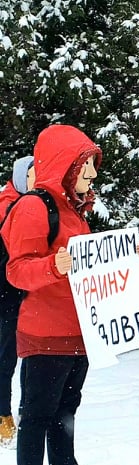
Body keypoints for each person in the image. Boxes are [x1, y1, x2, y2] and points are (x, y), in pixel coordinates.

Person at [1, 125, 139, 465]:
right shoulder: (35, 206)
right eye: (86, 166)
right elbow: (17, 270)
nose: (93, 175)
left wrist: (129, 259)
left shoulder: (75, 212)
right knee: (36, 419)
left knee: (64, 411)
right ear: (66, 164)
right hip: (44, 336)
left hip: (78, 335)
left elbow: (91, 268)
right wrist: (54, 266)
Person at [0, 155, 35, 446]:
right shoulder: (8, 205)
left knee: (32, 352)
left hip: (27, 293)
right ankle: (2, 416)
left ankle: (26, 409)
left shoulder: (34, 204)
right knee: (6, 356)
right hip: (6, 294)